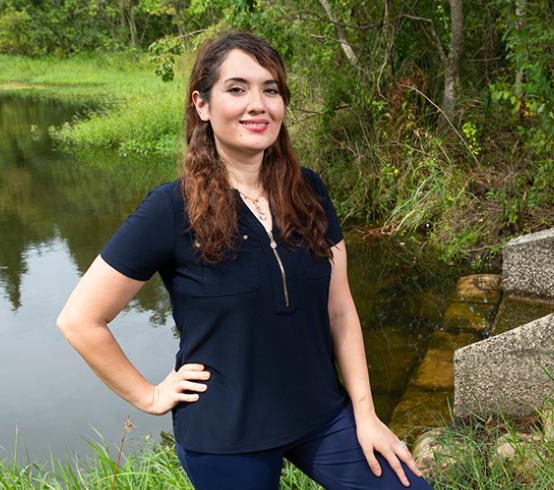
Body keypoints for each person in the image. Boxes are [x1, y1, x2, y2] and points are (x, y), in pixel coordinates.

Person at [56, 32, 432, 490]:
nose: (258, 104)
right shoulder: (171, 209)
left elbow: (340, 309)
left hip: (321, 412)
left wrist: (365, 412)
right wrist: (150, 394)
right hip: (227, 433)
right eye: (237, 89)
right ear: (202, 104)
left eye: (270, 89)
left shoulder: (309, 191)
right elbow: (80, 320)